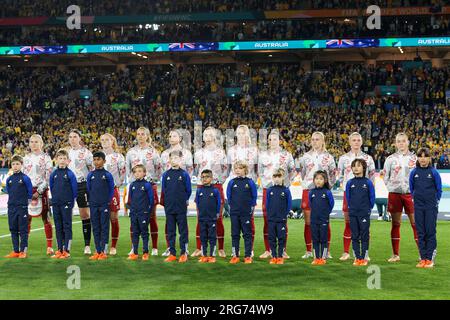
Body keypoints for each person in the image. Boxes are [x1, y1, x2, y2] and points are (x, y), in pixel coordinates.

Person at [337, 132, 376, 261]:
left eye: (358, 140)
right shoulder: (343, 158)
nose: (356, 142)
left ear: (361, 142)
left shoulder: (368, 158)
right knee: (348, 223)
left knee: (365, 226)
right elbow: (340, 176)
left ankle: (365, 253)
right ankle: (346, 252)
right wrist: (345, 188)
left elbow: (372, 176)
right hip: (349, 193)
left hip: (363, 195)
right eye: (353, 140)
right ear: (349, 142)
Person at [298, 132, 336, 259]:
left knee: (325, 221)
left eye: (317, 139)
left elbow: (332, 174)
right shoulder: (305, 156)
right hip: (308, 191)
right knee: (308, 222)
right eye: (313, 139)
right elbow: (302, 173)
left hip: (323, 192)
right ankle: (309, 250)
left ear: (323, 141)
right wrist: (308, 184)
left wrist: (326, 187)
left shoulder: (329, 157)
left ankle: (327, 251)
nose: (315, 142)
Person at [258, 131, 296, 259]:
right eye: (270, 139)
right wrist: (265, 183)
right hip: (267, 190)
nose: (272, 141)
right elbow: (259, 171)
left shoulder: (287, 155)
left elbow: (293, 171)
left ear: (279, 141)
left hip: (282, 190)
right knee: (267, 220)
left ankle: (282, 250)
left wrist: (287, 183)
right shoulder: (263, 155)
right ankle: (268, 249)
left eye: (275, 139)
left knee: (282, 220)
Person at [192, 126, 228, 258]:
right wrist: (201, 181)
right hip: (202, 188)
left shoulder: (221, 153)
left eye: (209, 134)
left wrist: (219, 181)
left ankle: (221, 248)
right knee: (200, 218)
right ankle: (199, 247)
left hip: (216, 187)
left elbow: (226, 169)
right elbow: (195, 171)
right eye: (204, 134)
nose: (206, 137)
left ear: (214, 137)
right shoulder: (198, 153)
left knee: (218, 219)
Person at [382, 133, 418, 262]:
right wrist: (392, 187)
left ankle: (422, 254)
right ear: (395, 143)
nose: (401, 143)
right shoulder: (390, 159)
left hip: (410, 195)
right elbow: (385, 176)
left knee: (415, 224)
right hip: (395, 194)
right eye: (398, 141)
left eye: (403, 141)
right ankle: (395, 254)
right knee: (395, 224)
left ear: (408, 142)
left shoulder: (415, 158)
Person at [126, 127, 162, 256]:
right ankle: (134, 247)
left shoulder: (154, 152)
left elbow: (159, 169)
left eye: (143, 134)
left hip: (150, 186)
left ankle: (154, 247)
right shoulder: (131, 152)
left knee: (151, 217)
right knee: (134, 218)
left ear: (147, 136)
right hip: (135, 187)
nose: (140, 136)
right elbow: (128, 169)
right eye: (138, 134)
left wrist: (153, 180)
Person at [160, 129, 194, 256]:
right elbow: (163, 181)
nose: (171, 137)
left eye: (174, 135)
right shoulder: (164, 154)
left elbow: (189, 183)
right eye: (169, 135)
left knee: (182, 226)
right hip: (170, 198)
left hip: (180, 197)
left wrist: (184, 198)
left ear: (180, 138)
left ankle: (184, 250)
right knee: (170, 226)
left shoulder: (187, 154)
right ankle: (171, 249)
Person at [409, 147, 442, 268]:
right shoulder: (414, 172)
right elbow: (412, 189)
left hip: (430, 207)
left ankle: (430, 258)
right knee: (421, 232)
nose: (423, 159)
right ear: (417, 158)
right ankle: (422, 258)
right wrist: (416, 198)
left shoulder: (434, 172)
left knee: (430, 231)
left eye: (425, 156)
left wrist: (434, 202)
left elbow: (439, 190)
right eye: (420, 156)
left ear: (429, 158)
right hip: (418, 207)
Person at [23, 134, 54, 255]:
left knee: (45, 218)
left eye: (36, 142)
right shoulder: (25, 158)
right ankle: (24, 247)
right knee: (26, 219)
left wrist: (39, 191)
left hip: (41, 191)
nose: (33, 144)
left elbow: (49, 177)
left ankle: (49, 247)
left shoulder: (46, 158)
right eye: (31, 142)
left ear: (41, 144)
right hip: (28, 191)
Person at [67, 129, 94, 255]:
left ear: (79, 138)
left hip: (82, 185)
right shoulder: (65, 152)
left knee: (84, 214)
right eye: (70, 137)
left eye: (75, 137)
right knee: (66, 214)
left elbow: (92, 169)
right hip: (67, 185)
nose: (72, 139)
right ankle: (66, 245)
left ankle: (87, 245)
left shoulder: (86, 153)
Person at [345, 159, 375, 266]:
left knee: (364, 235)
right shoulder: (350, 183)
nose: (356, 168)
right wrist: (352, 208)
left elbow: (372, 198)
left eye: (358, 165)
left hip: (364, 213)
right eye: (354, 166)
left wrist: (367, 209)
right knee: (355, 235)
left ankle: (364, 257)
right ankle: (357, 257)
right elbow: (348, 197)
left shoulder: (368, 182)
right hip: (353, 213)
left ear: (364, 168)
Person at [226, 160, 257, 264]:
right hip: (234, 213)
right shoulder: (232, 182)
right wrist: (232, 208)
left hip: (246, 213)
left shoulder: (250, 182)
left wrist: (251, 209)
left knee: (247, 234)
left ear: (245, 170)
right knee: (235, 234)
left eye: (240, 168)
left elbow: (254, 196)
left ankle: (248, 256)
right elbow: (229, 196)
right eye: (236, 168)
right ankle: (235, 255)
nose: (237, 170)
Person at [100, 133, 126, 256]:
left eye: (107, 140)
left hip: (112, 190)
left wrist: (118, 183)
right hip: (99, 190)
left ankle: (113, 246)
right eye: (102, 140)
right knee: (100, 219)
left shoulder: (118, 156)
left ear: (112, 141)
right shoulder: (97, 156)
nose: (104, 142)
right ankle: (102, 245)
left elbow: (123, 172)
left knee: (113, 218)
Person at [49, 149, 78, 259]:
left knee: (67, 226)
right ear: (56, 160)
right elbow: (51, 187)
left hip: (67, 203)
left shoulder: (70, 174)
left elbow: (74, 189)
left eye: (64, 159)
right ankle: (59, 249)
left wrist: (71, 201)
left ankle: (67, 250)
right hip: (56, 203)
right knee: (58, 226)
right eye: (60, 158)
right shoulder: (54, 174)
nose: (62, 160)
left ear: (68, 161)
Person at [86, 151, 115, 260]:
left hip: (104, 205)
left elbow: (111, 189)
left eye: (99, 159)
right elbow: (89, 189)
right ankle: (97, 251)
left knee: (104, 227)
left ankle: (104, 251)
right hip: (93, 205)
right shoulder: (90, 175)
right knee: (96, 228)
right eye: (95, 159)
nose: (96, 161)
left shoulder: (107, 175)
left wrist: (107, 201)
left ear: (104, 161)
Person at [4, 155, 33, 259]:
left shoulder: (25, 178)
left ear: (21, 165)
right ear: (11, 166)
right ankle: (16, 251)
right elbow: (8, 191)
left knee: (23, 230)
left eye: (17, 164)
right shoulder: (9, 179)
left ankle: (23, 251)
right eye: (13, 164)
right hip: (11, 207)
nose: (15, 166)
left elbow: (30, 193)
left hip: (22, 208)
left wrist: (24, 204)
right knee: (13, 229)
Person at [127, 164, 155, 261]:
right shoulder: (132, 185)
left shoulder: (147, 185)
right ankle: (135, 252)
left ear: (144, 173)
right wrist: (130, 210)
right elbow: (130, 199)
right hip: (134, 213)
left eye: (140, 171)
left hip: (143, 213)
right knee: (135, 233)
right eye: (135, 172)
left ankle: (145, 252)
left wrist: (148, 211)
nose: (137, 173)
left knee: (144, 232)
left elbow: (151, 199)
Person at [194, 169, 221, 263]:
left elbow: (218, 203)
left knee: (212, 237)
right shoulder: (198, 190)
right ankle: (204, 255)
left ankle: (212, 256)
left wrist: (217, 213)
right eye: (202, 177)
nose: (204, 179)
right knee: (203, 237)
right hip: (202, 218)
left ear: (211, 178)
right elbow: (197, 203)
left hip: (212, 218)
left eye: (206, 177)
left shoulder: (215, 190)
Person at [266, 168, 292, 265]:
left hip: (281, 219)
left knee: (281, 238)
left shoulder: (286, 190)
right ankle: (273, 257)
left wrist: (284, 215)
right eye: (275, 176)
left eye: (279, 176)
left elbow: (289, 204)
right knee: (272, 238)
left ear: (283, 177)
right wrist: (269, 215)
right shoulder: (270, 190)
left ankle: (280, 256)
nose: (277, 179)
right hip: (271, 219)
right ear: (272, 178)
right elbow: (267, 204)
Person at [309, 170, 334, 265]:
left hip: (324, 219)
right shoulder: (311, 192)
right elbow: (311, 204)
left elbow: (331, 204)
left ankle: (323, 258)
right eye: (316, 179)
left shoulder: (327, 192)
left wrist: (325, 213)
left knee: (323, 239)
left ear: (325, 180)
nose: (318, 181)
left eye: (321, 179)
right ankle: (316, 258)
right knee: (315, 239)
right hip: (314, 220)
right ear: (314, 180)